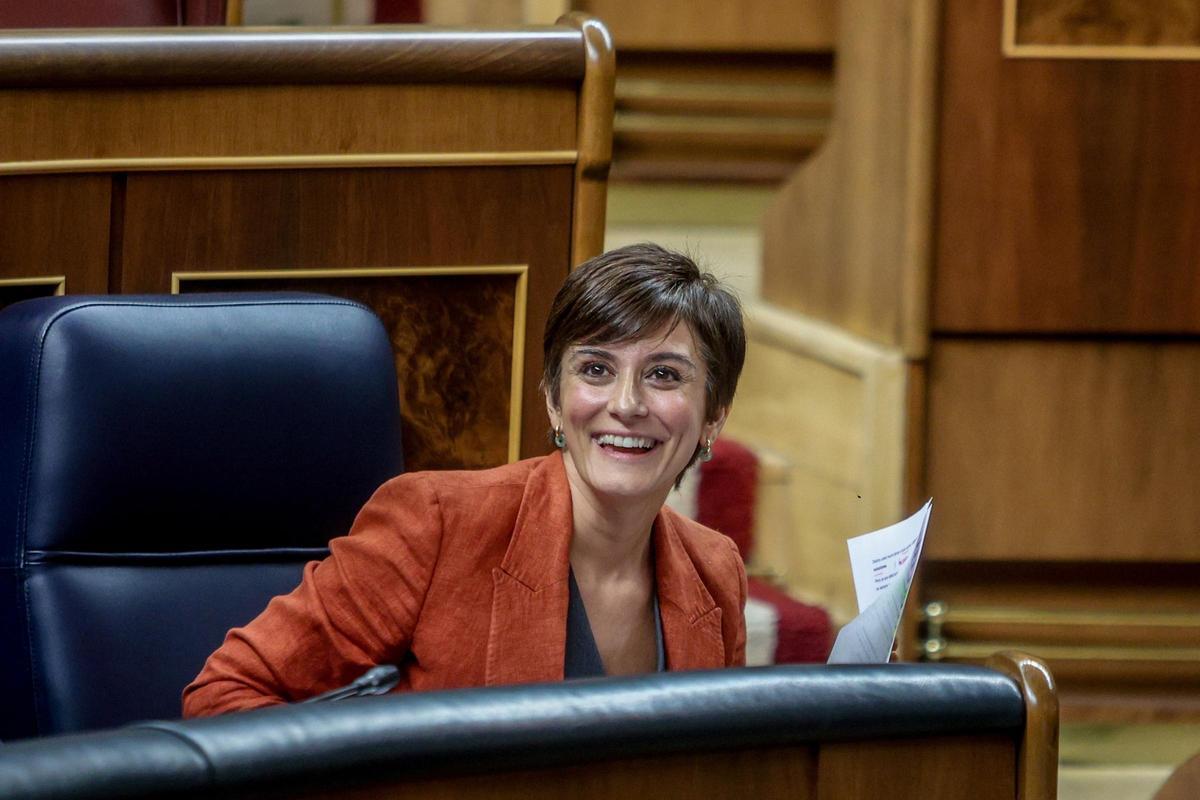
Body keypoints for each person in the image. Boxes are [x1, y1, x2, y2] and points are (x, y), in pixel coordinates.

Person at [182, 243, 748, 717]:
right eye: (596, 369)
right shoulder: (437, 523)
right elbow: (223, 695)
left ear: (714, 416)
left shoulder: (715, 570)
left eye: (664, 375)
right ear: (554, 401)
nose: (626, 404)